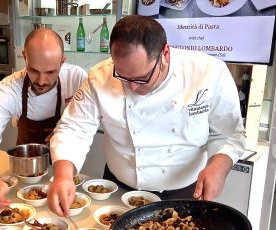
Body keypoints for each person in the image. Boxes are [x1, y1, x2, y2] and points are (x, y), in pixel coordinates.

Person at [47, 15, 245, 217]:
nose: (132, 86)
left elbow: (229, 133)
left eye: (142, 78)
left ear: (165, 53)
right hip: (119, 191)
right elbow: (73, 129)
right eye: (123, 76)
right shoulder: (100, 77)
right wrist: (63, 176)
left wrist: (219, 167)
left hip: (184, 194)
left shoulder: (209, 72)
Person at [0, 28, 87, 211]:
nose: (41, 80)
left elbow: (90, 120)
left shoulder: (77, 78)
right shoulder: (7, 88)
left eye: (50, 72)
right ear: (24, 57)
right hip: (24, 175)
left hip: (67, 174)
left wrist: (63, 130)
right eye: (34, 70)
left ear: (63, 62)